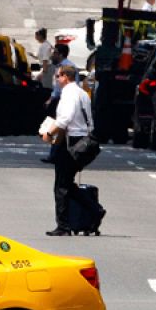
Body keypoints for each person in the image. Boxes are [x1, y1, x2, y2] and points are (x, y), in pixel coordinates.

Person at [44, 65, 100, 236]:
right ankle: (94, 210)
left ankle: (63, 226)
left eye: (58, 76)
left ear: (65, 76)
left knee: (61, 185)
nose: (56, 80)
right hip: (84, 141)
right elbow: (89, 121)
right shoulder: (82, 93)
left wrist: (49, 133)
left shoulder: (69, 94)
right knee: (67, 183)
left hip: (72, 142)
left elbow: (65, 119)